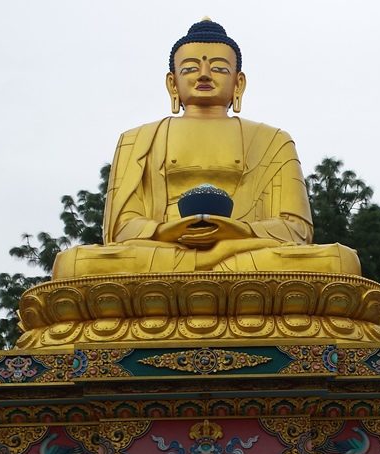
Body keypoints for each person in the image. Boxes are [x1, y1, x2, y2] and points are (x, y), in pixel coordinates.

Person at [51, 19, 360, 279]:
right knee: (72, 265)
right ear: (172, 84)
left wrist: (234, 232)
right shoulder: (137, 139)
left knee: (339, 262)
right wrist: (168, 231)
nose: (203, 74)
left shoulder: (273, 139)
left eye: (218, 68)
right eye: (189, 68)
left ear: (238, 84)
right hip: (163, 254)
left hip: (243, 254)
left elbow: (296, 230)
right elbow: (120, 229)